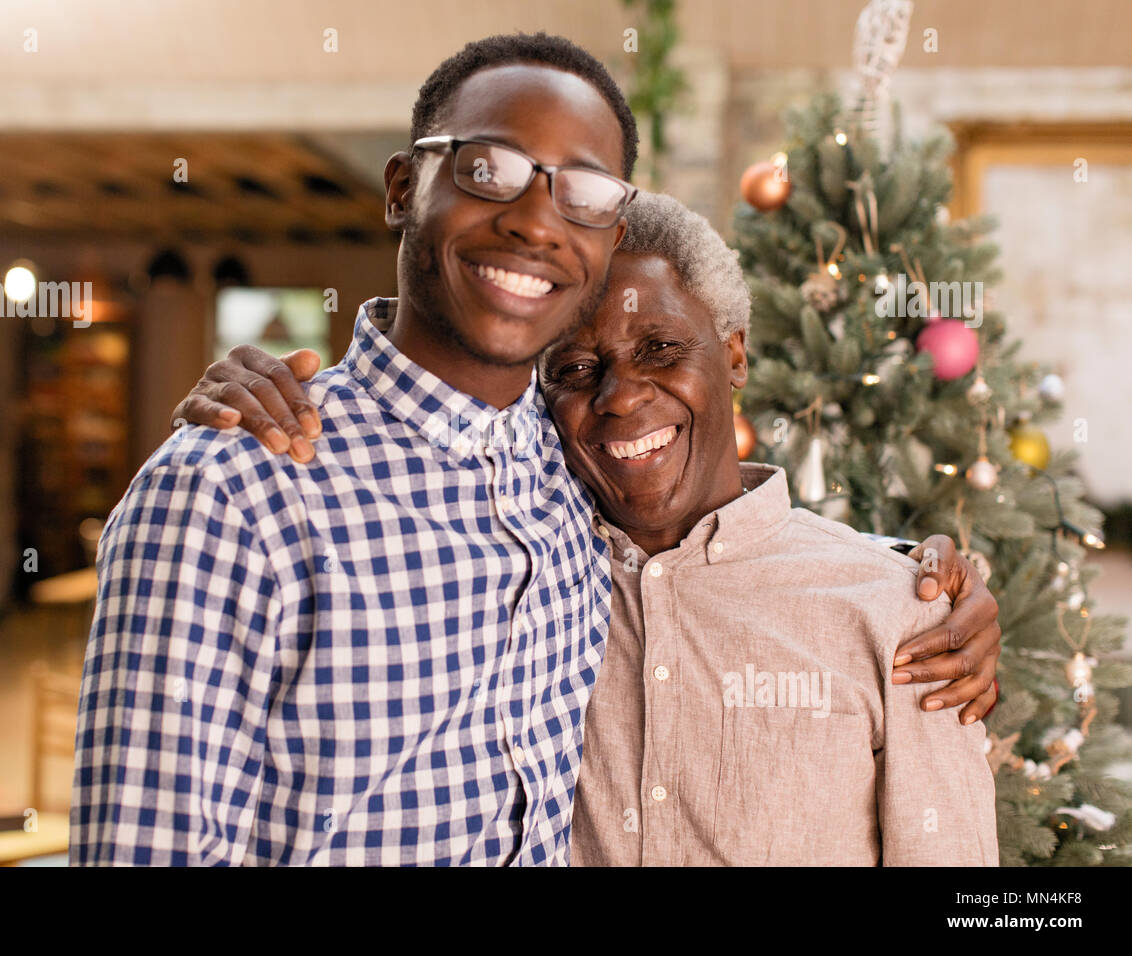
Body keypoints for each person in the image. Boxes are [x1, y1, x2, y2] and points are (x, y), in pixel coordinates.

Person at [77, 32, 1000, 868]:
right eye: (488, 168)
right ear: (404, 188)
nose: (533, 218)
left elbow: (737, 559)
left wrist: (927, 586)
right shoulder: (232, 488)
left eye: (583, 190)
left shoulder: (561, 479)